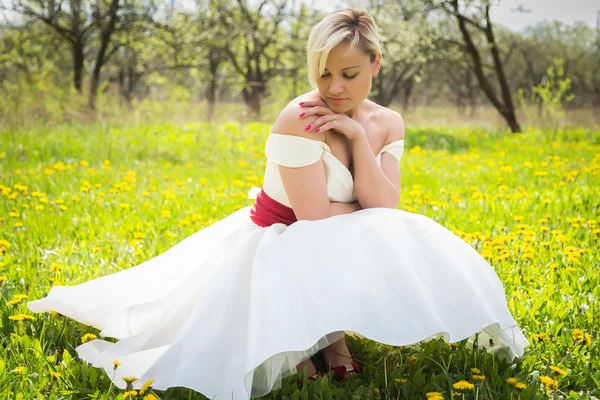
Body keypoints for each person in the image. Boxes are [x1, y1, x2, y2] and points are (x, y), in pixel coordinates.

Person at [27, 7, 529, 400]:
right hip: (282, 237)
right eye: (323, 73)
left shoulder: (386, 123)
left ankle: (329, 337)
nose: (333, 89)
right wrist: (377, 215)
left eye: (349, 75)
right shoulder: (300, 118)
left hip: (335, 232)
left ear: (377, 64)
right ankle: (317, 342)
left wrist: (357, 137)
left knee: (409, 233)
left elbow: (385, 203)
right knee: (366, 232)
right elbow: (313, 218)